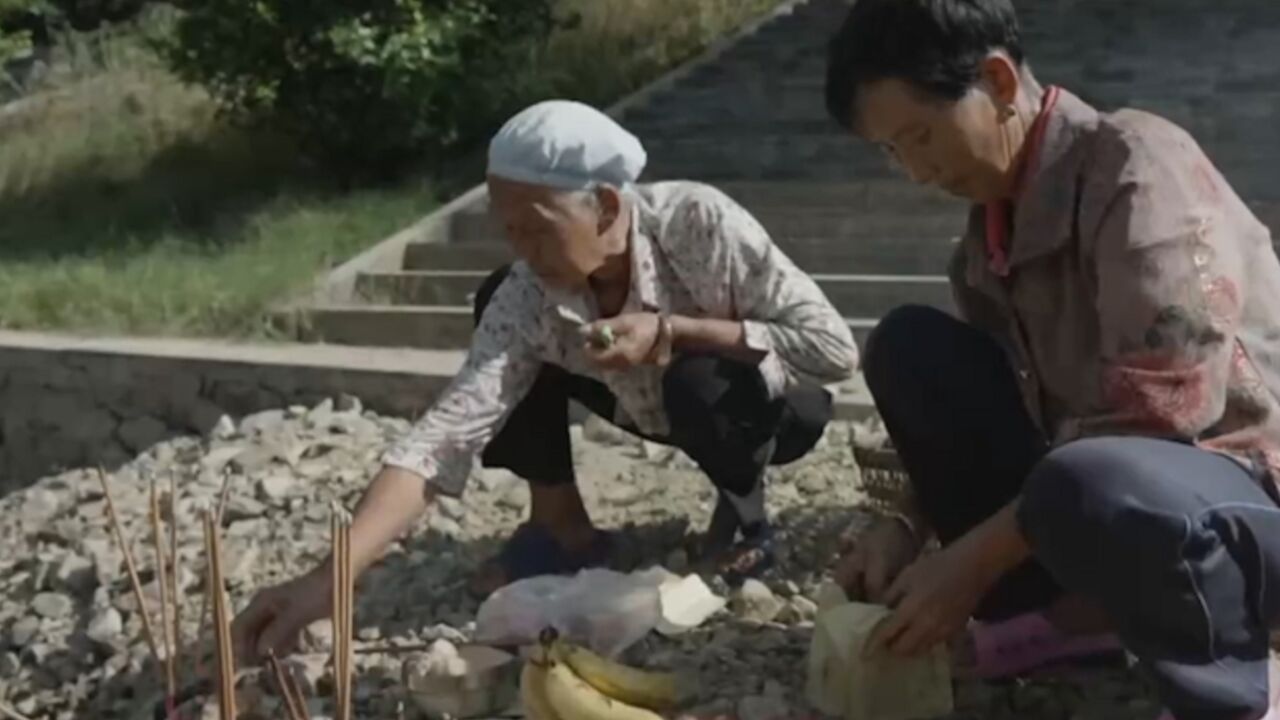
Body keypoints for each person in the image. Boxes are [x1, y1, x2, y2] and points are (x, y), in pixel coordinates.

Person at [231, 99, 858, 663]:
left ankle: (746, 515)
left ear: (606, 207)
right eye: (509, 230)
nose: (523, 249)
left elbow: (833, 349)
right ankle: (564, 527)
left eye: (535, 227)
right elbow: (444, 435)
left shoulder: (698, 222)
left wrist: (675, 330)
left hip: (767, 402)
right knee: (495, 300)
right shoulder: (530, 292)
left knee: (697, 376)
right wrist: (331, 578)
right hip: (645, 403)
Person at [823, 1, 1280, 718]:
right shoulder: (983, 252)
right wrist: (905, 526)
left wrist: (966, 565)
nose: (915, 172)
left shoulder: (1135, 166)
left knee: (1089, 471)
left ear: (1000, 81)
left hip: (1247, 500)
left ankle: (1234, 690)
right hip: (1117, 500)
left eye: (919, 136)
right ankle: (1077, 620)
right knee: (911, 348)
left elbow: (1163, 411)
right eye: (892, 152)